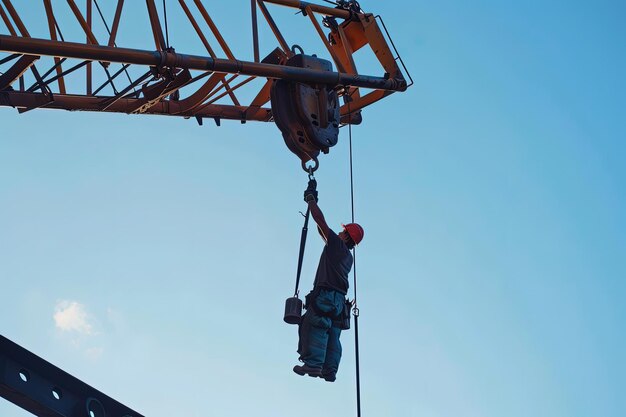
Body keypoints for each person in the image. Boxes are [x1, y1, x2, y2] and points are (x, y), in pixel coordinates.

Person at [293, 179, 364, 382]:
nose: (340, 232)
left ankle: (314, 365)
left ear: (346, 236)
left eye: (343, 231)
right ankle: (329, 370)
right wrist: (314, 210)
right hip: (339, 302)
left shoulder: (337, 246)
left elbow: (321, 223)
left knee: (315, 323)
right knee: (333, 334)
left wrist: (311, 201)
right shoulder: (346, 256)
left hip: (326, 295)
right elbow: (322, 230)